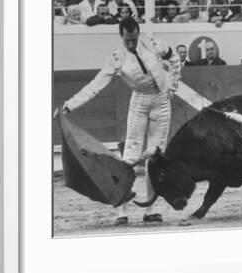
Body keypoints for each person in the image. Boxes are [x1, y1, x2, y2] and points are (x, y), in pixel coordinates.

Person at [59, 18, 181, 226]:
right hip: (140, 102)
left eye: (133, 39)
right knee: (131, 154)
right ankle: (122, 211)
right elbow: (96, 85)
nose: (131, 44)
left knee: (156, 156)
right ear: (121, 37)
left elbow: (176, 58)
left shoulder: (153, 44)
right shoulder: (117, 58)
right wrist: (69, 105)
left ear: (138, 34)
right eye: (127, 41)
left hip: (161, 101)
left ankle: (151, 210)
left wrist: (172, 85)